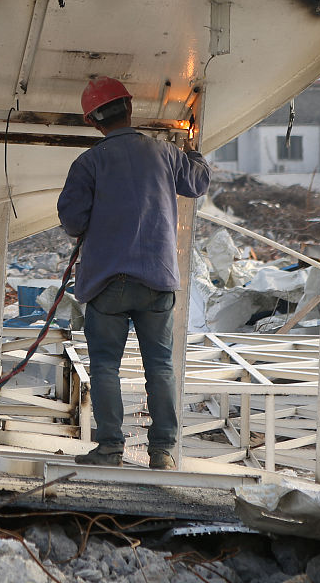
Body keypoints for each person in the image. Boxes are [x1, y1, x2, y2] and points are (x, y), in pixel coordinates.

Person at [57, 77, 210, 469]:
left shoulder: (88, 163)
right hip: (157, 279)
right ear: (130, 107)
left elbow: (72, 221)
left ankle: (110, 448)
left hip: (107, 283)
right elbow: (198, 182)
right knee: (160, 366)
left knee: (105, 365)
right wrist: (192, 151)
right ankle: (162, 452)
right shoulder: (163, 153)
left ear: (94, 122)